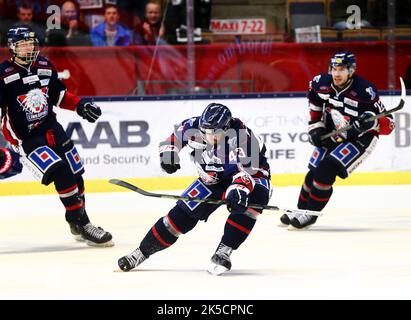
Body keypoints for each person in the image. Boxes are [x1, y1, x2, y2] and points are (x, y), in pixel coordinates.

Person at [118, 103, 272, 275]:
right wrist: (168, 154)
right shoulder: (194, 126)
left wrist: (238, 190)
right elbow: (173, 139)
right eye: (206, 131)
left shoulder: (244, 139)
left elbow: (248, 173)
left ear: (226, 128)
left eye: (214, 133)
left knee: (249, 204)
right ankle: (140, 252)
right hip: (212, 178)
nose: (208, 136)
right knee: (179, 217)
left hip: (252, 178)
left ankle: (224, 250)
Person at [0, 25, 113, 247]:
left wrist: (80, 106)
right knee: (61, 172)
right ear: (12, 47)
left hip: (52, 128)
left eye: (31, 42)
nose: (28, 47)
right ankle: (82, 222)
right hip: (26, 138)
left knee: (76, 173)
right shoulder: (3, 75)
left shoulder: (44, 66)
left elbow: (58, 94)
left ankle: (77, 223)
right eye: (23, 43)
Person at [279, 51, 395, 230]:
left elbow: (389, 125)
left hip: (360, 139)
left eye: (342, 69)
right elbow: (315, 108)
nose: (337, 73)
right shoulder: (320, 83)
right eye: (334, 68)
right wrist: (316, 128)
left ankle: (310, 215)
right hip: (334, 133)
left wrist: (372, 122)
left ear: (351, 70)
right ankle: (301, 210)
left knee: (326, 170)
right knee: (312, 173)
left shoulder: (365, 91)